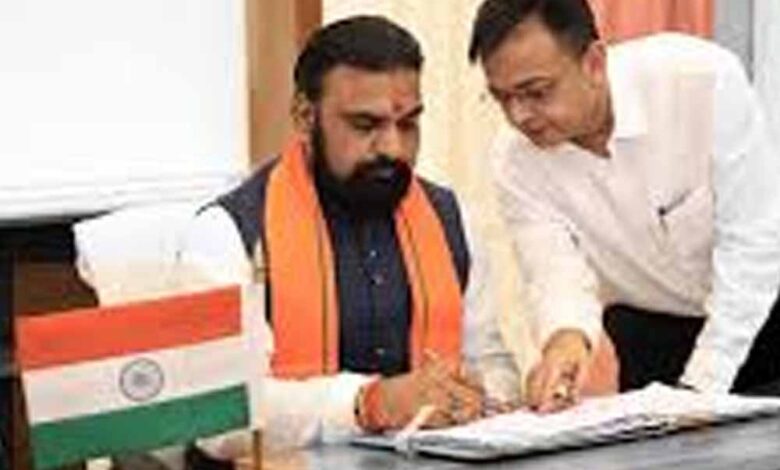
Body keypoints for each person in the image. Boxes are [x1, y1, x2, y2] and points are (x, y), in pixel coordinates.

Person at [180, 15, 521, 461]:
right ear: (305, 117)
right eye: (365, 125)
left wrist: (479, 394)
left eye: (408, 124)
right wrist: (368, 404)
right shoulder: (226, 233)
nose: (393, 148)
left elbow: (491, 365)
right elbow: (217, 419)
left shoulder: (452, 219)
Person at [467, 0, 780, 411]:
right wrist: (565, 340)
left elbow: (753, 246)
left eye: (536, 92)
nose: (520, 116)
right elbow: (555, 273)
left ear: (594, 62)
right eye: (502, 98)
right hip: (653, 336)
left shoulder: (699, 81)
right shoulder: (515, 160)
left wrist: (701, 387)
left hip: (762, 310)